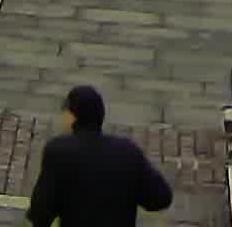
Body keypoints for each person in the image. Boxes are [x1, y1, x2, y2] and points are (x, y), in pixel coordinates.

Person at [28, 83, 173, 226]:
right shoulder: (127, 151)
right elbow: (161, 198)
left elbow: (40, 212)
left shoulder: (59, 151)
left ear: (72, 117)